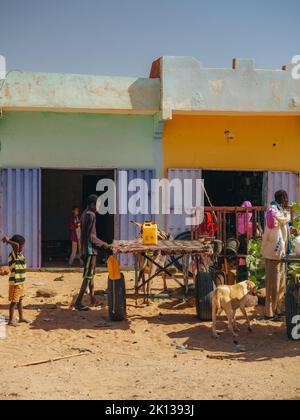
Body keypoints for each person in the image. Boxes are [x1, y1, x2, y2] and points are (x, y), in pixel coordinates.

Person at [74, 195, 110, 311]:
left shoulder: (84, 213)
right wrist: (104, 244)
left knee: (91, 276)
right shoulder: (91, 215)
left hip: (86, 249)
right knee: (88, 276)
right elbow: (91, 236)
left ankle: (92, 299)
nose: (98, 206)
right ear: (91, 205)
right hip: (90, 250)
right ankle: (78, 302)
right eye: (97, 204)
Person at [262, 190, 292, 321]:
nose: (287, 201)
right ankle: (269, 313)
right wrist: (286, 216)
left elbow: (283, 225)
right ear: (283, 199)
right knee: (273, 284)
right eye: (286, 199)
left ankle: (278, 309)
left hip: (278, 253)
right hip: (274, 253)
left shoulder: (278, 211)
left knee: (280, 283)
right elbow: (279, 225)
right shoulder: (274, 212)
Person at [2, 235, 30, 326]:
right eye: (22, 245)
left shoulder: (20, 255)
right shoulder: (14, 254)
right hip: (15, 283)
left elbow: (16, 245)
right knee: (13, 302)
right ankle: (10, 320)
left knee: (20, 301)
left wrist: (9, 240)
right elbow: (16, 246)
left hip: (20, 282)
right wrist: (8, 240)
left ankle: (21, 318)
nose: (22, 247)